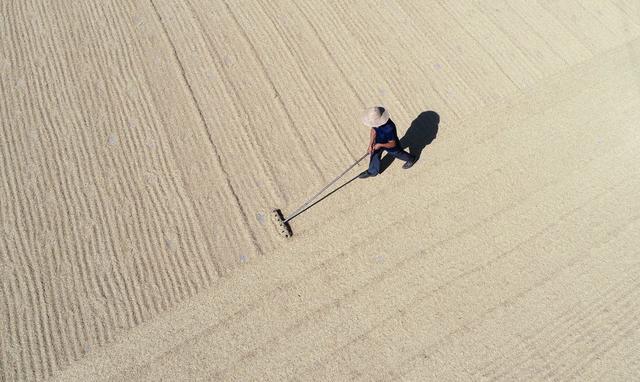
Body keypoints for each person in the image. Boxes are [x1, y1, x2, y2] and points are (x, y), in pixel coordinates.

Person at [358, 106, 415, 179]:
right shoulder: (375, 123)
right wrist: (370, 144)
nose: (373, 124)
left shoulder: (389, 128)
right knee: (374, 153)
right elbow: (374, 130)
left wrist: (380, 145)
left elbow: (393, 144)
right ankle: (372, 171)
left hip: (390, 144)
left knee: (397, 153)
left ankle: (411, 158)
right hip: (379, 140)